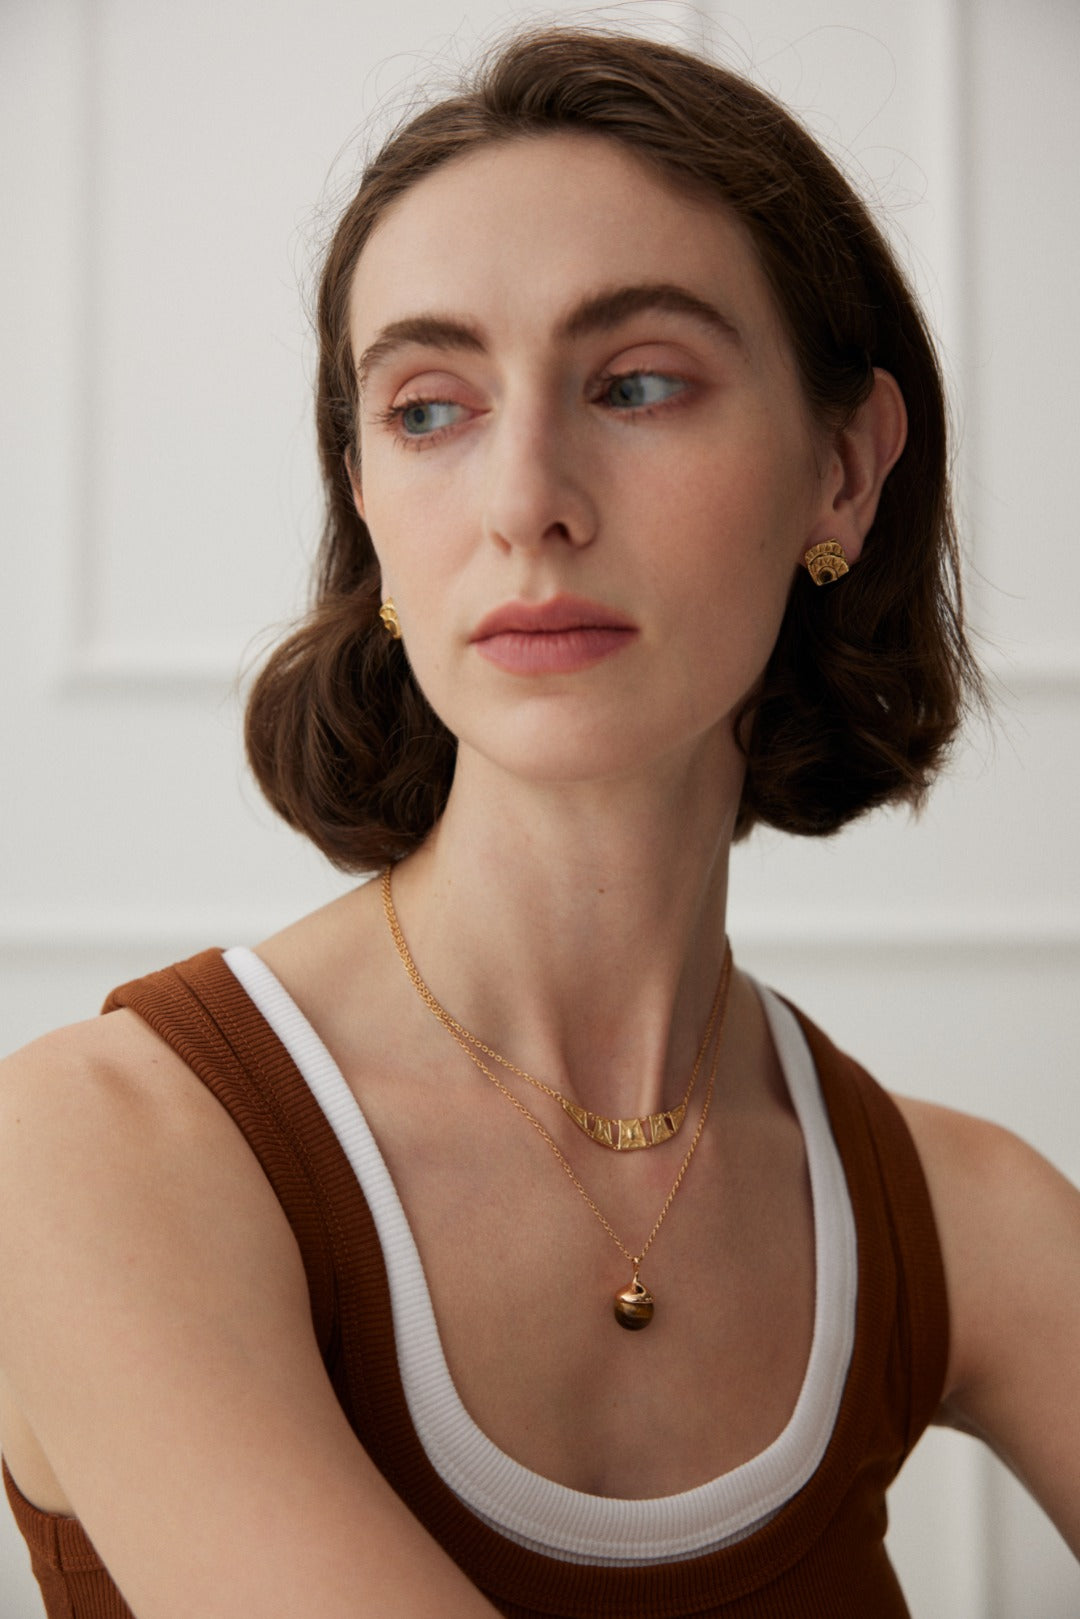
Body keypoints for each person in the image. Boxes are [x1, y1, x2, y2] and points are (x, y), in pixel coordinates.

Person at [0, 24, 1076, 1619]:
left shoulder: (964, 1215)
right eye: (429, 409)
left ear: (842, 474)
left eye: (636, 384)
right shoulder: (95, 1153)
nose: (526, 500)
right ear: (364, 497)